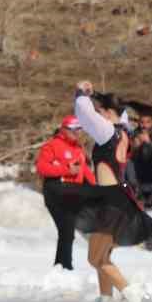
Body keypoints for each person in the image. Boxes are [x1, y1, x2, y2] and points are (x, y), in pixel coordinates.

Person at [73, 85, 152, 302]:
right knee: (102, 256)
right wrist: (94, 96)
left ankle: (131, 292)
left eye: (101, 111)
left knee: (95, 258)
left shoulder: (107, 132)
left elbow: (84, 113)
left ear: (109, 113)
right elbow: (117, 114)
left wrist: (81, 93)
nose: (98, 115)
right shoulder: (124, 130)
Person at [36, 115, 90, 270]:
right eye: (73, 129)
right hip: (56, 191)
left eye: (79, 129)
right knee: (67, 230)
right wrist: (66, 169)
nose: (77, 133)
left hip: (72, 193)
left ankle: (60, 266)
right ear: (63, 129)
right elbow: (42, 168)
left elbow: (85, 171)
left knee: (67, 232)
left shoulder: (78, 148)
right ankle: (65, 267)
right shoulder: (52, 145)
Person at [128, 112, 152, 207]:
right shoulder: (134, 133)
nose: (144, 125)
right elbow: (128, 154)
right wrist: (134, 147)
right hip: (140, 168)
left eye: (147, 122)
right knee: (128, 162)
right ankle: (136, 189)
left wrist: (149, 142)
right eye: (142, 122)